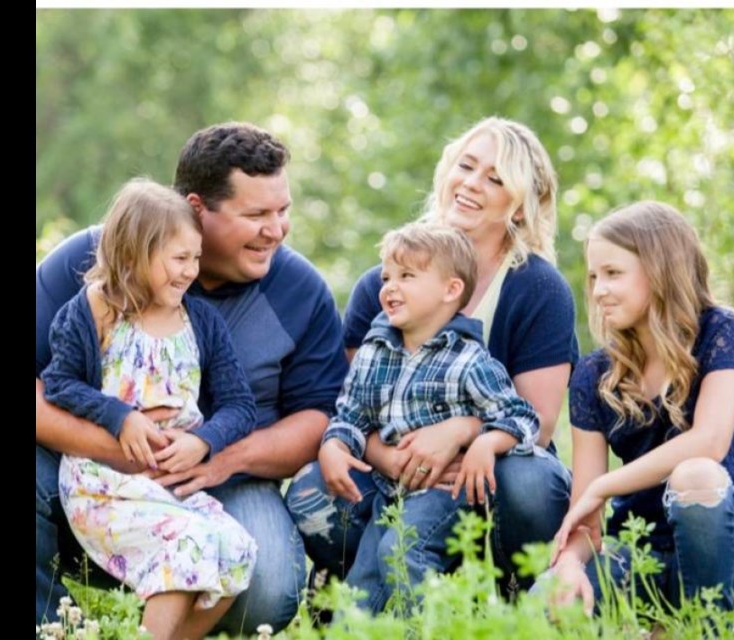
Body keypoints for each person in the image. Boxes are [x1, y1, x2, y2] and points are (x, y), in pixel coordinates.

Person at [36, 122, 350, 634]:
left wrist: (218, 456)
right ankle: (51, 626)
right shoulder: (96, 265)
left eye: (283, 210)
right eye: (256, 215)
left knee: (268, 591)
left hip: (224, 480)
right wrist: (114, 440)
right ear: (198, 209)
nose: (277, 229)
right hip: (91, 469)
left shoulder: (300, 291)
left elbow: (318, 417)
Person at [287, 117, 578, 591]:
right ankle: (359, 583)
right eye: (466, 166)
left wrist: (459, 434)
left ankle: (507, 589)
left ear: (521, 208)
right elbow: (355, 402)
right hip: (396, 471)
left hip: (492, 472)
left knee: (531, 482)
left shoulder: (538, 289)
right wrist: (390, 459)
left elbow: (538, 426)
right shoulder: (382, 286)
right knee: (312, 488)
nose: (471, 183)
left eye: (495, 178)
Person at [42, 179, 259, 640]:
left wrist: (203, 440)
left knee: (237, 548)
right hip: (104, 484)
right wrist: (121, 417)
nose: (191, 271)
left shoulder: (200, 321)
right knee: (188, 545)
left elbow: (241, 406)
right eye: (180, 259)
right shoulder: (94, 312)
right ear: (133, 256)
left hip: (170, 484)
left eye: (196, 257)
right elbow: (58, 384)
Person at [541, 201, 734, 615]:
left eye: (613, 273)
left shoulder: (719, 331)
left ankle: (701, 623)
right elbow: (585, 516)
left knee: (694, 472)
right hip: (641, 555)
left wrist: (604, 486)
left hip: (723, 549)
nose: (599, 289)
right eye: (593, 276)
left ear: (661, 270)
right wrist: (570, 562)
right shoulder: (593, 374)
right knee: (546, 601)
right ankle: (649, 616)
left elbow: (709, 442)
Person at [318, 222, 540, 612]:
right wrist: (334, 445)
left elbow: (521, 417)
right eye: (387, 276)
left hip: (445, 492)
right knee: (361, 586)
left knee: (402, 553)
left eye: (407, 276)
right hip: (389, 491)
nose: (389, 286)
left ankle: (430, 627)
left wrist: (486, 441)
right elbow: (350, 414)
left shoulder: (469, 359)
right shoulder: (375, 351)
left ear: (451, 290)